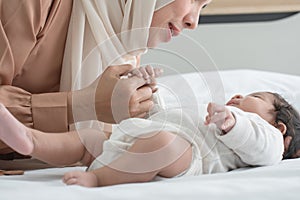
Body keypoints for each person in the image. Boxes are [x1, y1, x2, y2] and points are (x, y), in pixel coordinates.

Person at [0, 66, 300, 187]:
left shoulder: (270, 139)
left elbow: (263, 148)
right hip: (135, 139)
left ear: (281, 127)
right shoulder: (210, 116)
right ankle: (30, 140)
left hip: (185, 156)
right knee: (89, 138)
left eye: (255, 97)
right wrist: (150, 89)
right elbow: (161, 117)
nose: (239, 96)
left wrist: (233, 123)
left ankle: (99, 180)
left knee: (165, 144)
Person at [0, 0, 212, 159]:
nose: (193, 23)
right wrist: (82, 105)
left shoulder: (124, 41)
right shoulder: (34, 4)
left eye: (203, 6)